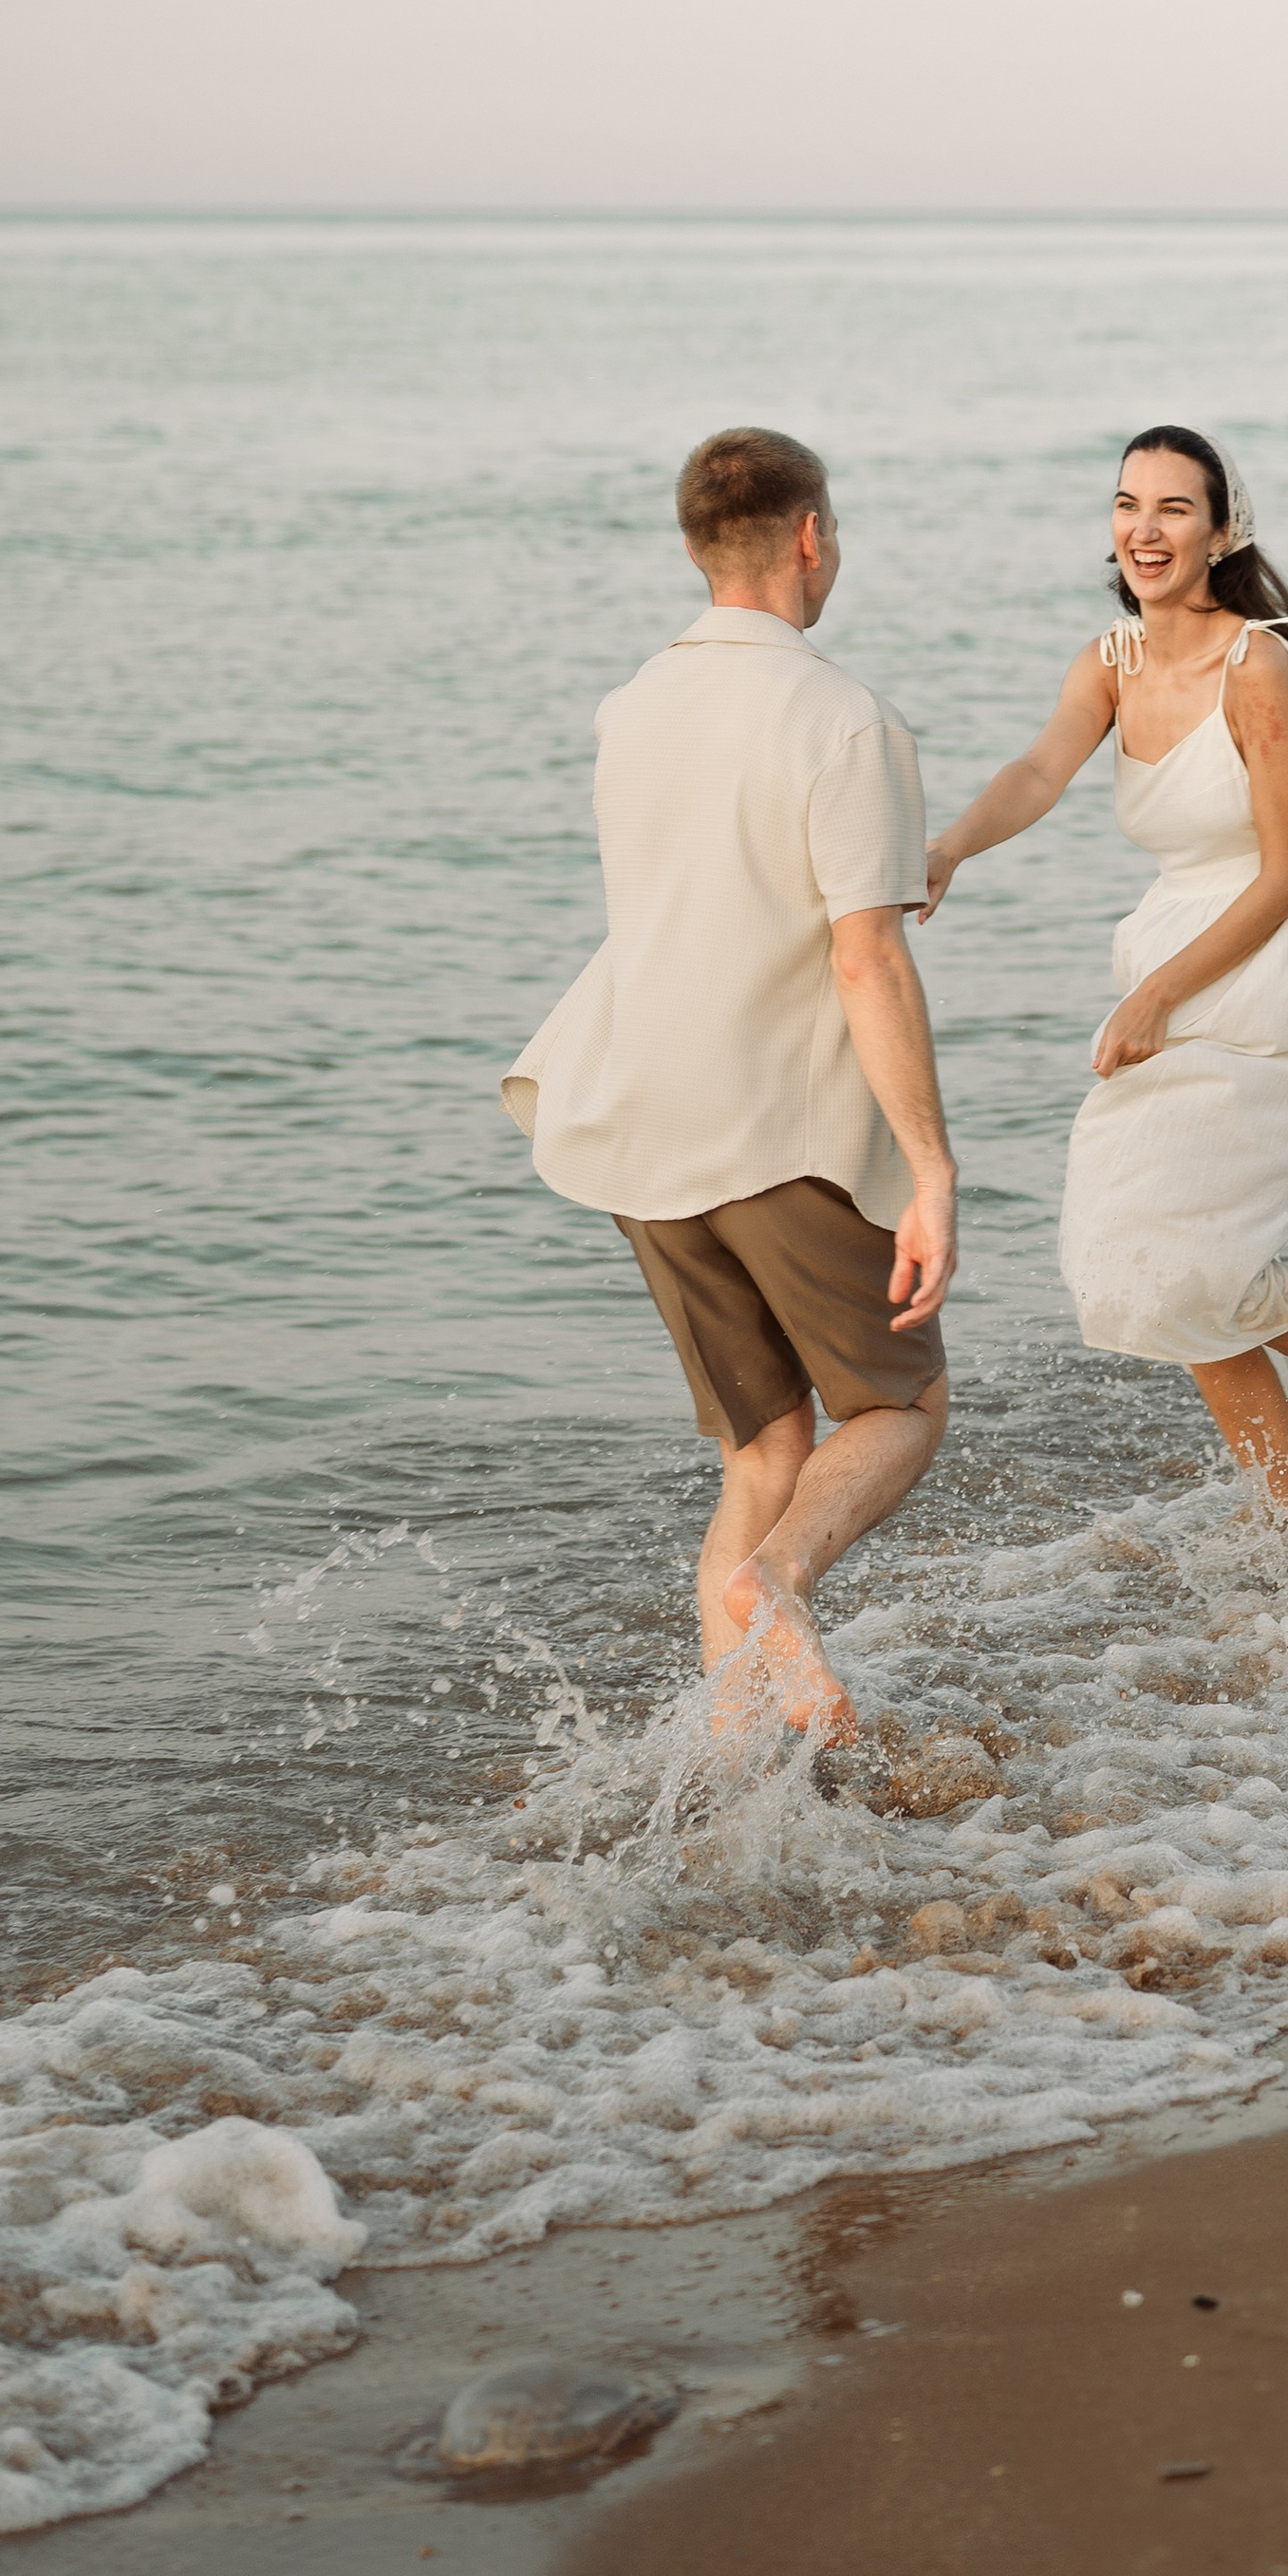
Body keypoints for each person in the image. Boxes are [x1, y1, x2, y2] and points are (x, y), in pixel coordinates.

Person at [503, 428, 954, 1745]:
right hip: (778, 1131)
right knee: (898, 1405)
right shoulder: (842, 716)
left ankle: (738, 1775)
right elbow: (865, 962)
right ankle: (783, 1584)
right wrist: (930, 1172)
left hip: (638, 1118)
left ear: (697, 548)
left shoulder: (630, 707)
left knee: (762, 1450)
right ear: (812, 535)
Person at [923, 425, 1288, 1534]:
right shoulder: (1112, 659)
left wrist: (1155, 996)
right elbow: (1040, 766)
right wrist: (949, 846)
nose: (1144, 529)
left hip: (1276, 974)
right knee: (1145, 1256)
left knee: (1199, 1254)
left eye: (1173, 509)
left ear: (1221, 530)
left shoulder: (1259, 669)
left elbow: (1285, 874)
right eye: (1126, 504)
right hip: (1172, 952)